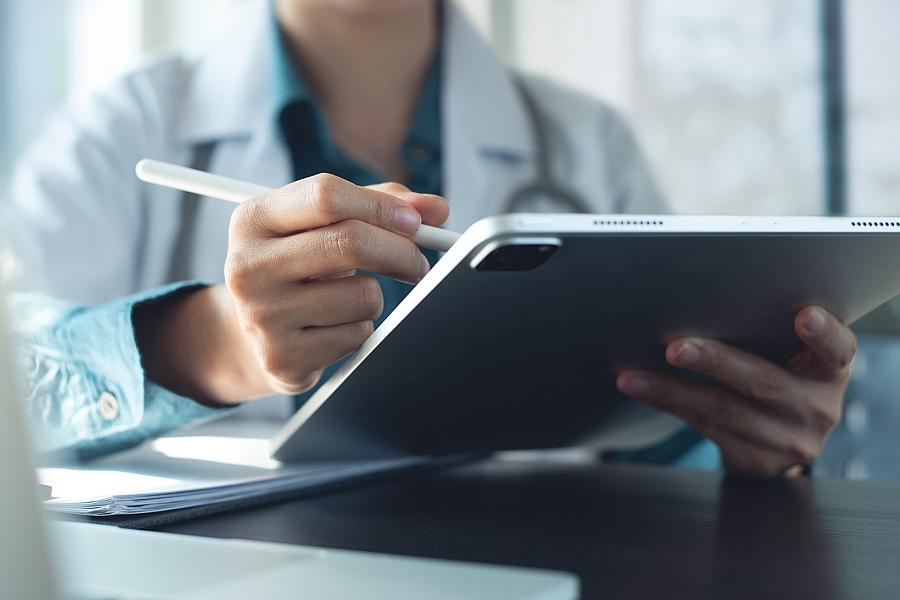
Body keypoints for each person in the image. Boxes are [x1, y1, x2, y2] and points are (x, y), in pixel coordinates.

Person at [4, 0, 855, 477]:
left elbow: (656, 429)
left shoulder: (588, 143)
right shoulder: (122, 130)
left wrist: (751, 440)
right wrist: (210, 345)